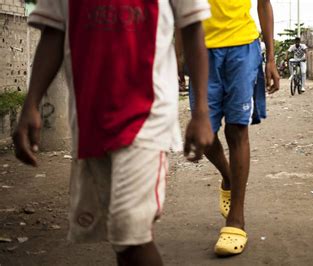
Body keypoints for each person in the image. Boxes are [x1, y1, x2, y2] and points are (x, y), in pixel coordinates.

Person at [13, 1, 213, 265]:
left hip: (147, 118)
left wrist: (200, 112)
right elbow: (53, 32)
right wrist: (31, 103)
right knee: (122, 238)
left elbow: (192, 27)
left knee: (130, 233)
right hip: (90, 123)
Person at [190, 0, 280, 256]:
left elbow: (264, 4)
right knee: (202, 135)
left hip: (242, 48)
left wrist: (270, 58)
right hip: (201, 50)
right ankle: (229, 177)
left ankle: (236, 220)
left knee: (237, 130)